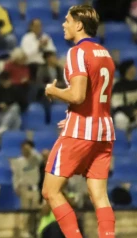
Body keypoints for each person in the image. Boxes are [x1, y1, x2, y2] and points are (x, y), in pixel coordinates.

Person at [43, 5, 116, 238]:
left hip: (80, 131)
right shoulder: (105, 54)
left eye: (67, 20)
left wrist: (53, 91)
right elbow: (94, 97)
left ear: (79, 25)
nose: (63, 24)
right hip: (103, 132)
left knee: (50, 192)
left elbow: (77, 95)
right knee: (100, 195)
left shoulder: (77, 53)